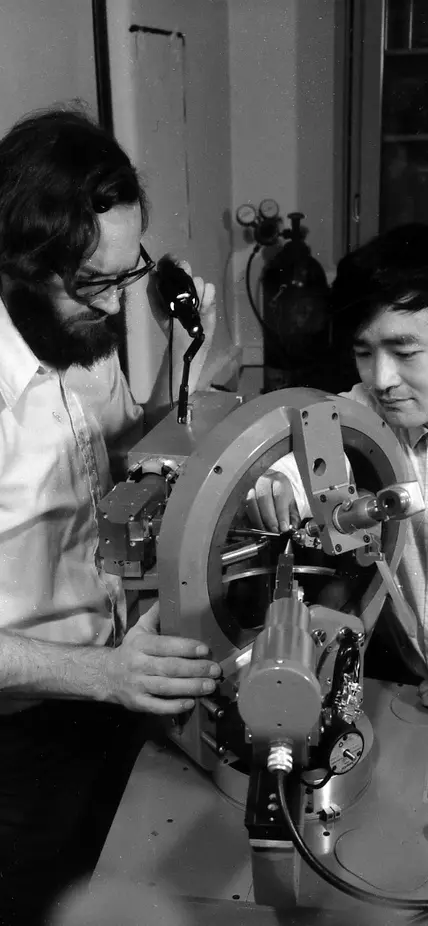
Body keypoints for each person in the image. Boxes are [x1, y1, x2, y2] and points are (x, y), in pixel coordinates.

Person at [0, 105, 221, 924]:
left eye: (133, 272)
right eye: (98, 281)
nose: (115, 302)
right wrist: (104, 676)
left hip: (111, 687)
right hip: (19, 735)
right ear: (19, 261)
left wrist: (174, 355)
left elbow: (119, 451)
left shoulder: (83, 341)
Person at [249, 223, 428, 690]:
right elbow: (319, 447)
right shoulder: (370, 408)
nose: (382, 378)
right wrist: (279, 482)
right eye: (364, 352)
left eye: (405, 351)